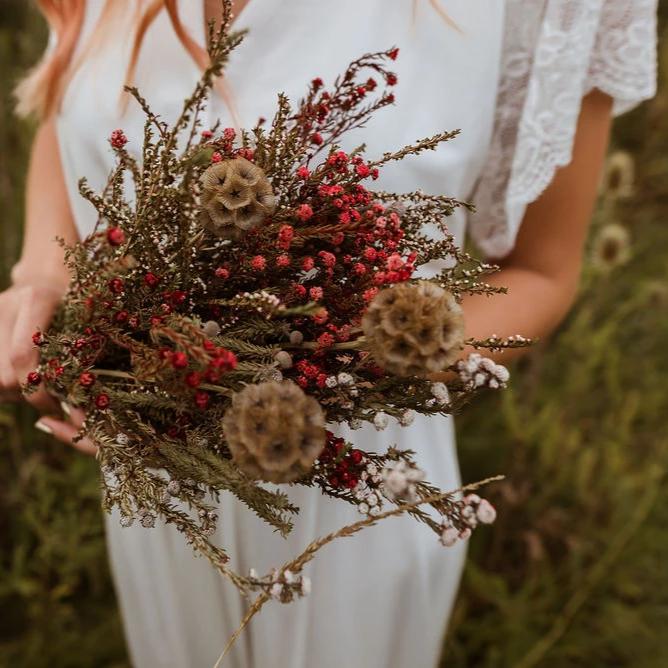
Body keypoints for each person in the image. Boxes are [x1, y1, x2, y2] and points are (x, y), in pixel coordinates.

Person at [1, 1, 657, 666]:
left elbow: (543, 271)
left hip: (355, 507)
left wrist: (336, 367)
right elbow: (69, 104)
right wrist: (47, 281)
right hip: (161, 502)